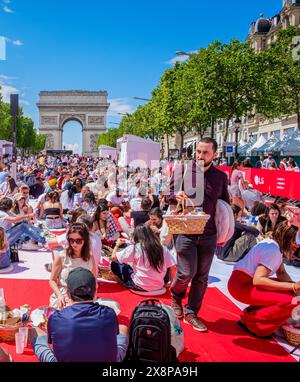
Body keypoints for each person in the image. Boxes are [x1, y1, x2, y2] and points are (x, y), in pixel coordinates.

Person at [168, 137, 230, 332]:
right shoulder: (183, 170)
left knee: (202, 276)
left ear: (214, 154)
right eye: (198, 152)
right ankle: (176, 295)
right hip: (185, 229)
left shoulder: (220, 177)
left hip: (209, 233)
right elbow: (167, 194)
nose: (200, 156)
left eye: (205, 152)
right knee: (186, 271)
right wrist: (174, 196)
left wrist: (225, 230)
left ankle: (192, 312)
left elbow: (224, 205)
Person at [30, 267, 129, 362]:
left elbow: (52, 347)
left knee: (33, 331)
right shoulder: (110, 314)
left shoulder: (56, 318)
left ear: (68, 294)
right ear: (95, 292)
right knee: (123, 328)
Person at [227, 221, 300, 337]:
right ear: (288, 239)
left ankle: (254, 312)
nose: (296, 245)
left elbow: (281, 273)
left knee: (292, 294)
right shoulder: (273, 251)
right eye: (296, 242)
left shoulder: (274, 245)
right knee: (293, 301)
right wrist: (292, 286)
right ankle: (253, 323)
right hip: (241, 286)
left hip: (241, 283)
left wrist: (295, 288)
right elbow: (259, 280)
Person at [110, 225, 176, 292]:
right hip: (159, 284)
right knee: (165, 265)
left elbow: (113, 257)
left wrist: (117, 245)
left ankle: (125, 281)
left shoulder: (135, 248)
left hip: (139, 285)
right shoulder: (162, 247)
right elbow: (170, 265)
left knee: (115, 264)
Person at [49, 223, 96, 310]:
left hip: (85, 297)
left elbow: (94, 280)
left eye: (78, 241)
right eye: (71, 240)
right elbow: (52, 280)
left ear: (85, 240)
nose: (74, 244)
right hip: (65, 295)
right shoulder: (61, 256)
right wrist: (59, 295)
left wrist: (92, 298)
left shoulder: (90, 257)